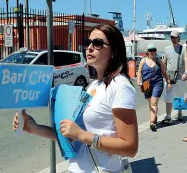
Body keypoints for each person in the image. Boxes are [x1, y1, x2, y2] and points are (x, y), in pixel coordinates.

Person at [13, 24, 138, 173]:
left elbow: (130, 147)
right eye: (88, 43)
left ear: (114, 51)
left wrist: (82, 135)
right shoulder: (94, 86)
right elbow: (72, 136)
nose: (89, 47)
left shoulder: (120, 86)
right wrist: (34, 128)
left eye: (97, 43)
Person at [137, 44, 172, 132]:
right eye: (150, 50)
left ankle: (152, 122)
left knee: (154, 103)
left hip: (157, 83)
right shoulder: (143, 61)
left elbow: (164, 72)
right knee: (150, 103)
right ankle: (154, 116)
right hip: (146, 84)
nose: (152, 52)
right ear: (147, 52)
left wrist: (168, 82)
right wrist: (138, 80)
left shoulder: (159, 61)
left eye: (154, 50)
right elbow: (140, 72)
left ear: (156, 51)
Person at [162, 30, 187, 125]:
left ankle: (179, 113)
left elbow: (186, 60)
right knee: (168, 96)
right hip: (169, 77)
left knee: (179, 95)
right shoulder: (167, 49)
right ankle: (168, 115)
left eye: (175, 37)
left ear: (178, 38)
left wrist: (186, 72)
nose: (173, 39)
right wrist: (162, 73)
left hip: (180, 76)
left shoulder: (183, 49)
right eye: (172, 37)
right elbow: (164, 62)